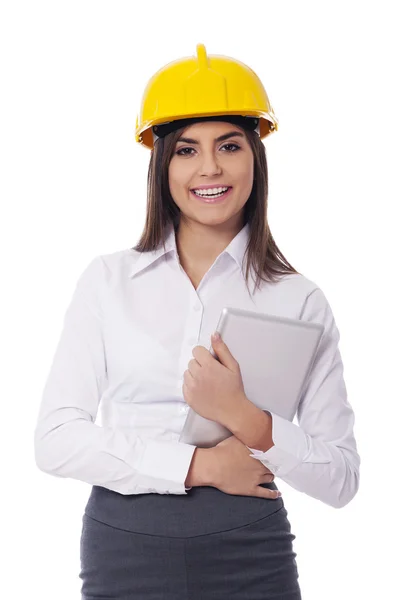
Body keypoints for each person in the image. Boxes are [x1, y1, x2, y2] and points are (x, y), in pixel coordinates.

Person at [34, 43, 360, 599]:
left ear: (255, 157)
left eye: (229, 146)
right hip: (125, 547)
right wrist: (199, 467)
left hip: (249, 550)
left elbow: (341, 479)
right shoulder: (108, 282)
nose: (209, 167)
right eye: (187, 150)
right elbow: (56, 440)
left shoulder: (298, 299)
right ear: (162, 166)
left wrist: (246, 419)